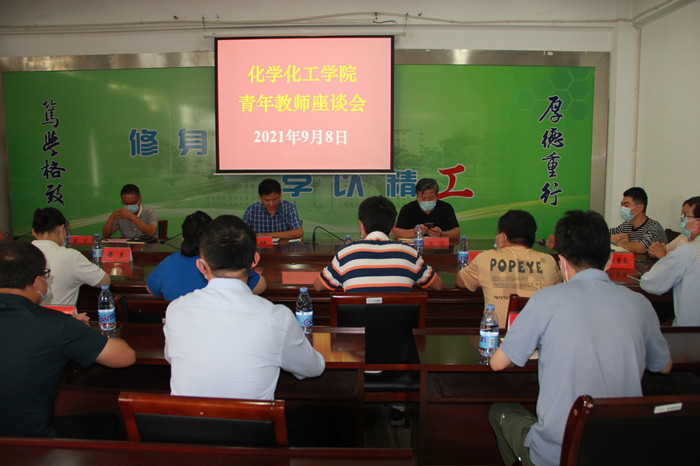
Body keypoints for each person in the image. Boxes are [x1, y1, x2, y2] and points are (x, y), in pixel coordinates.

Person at [488, 210, 672, 466]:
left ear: (562, 262)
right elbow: (664, 366)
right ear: (610, 261)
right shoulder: (640, 304)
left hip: (557, 455)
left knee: (500, 411)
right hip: (622, 451)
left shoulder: (546, 300)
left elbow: (498, 363)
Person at [164, 215, 324, 400]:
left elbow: (171, 357)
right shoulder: (277, 318)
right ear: (255, 260)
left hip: (185, 419)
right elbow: (314, 368)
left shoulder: (176, 310)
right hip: (252, 420)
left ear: (201, 265)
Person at [0, 240, 136, 438]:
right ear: (37, 282)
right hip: (31, 441)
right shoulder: (56, 324)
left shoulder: (56, 324)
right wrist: (79, 331)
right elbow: (124, 357)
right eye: (46, 275)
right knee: (110, 422)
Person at [314, 195, 442, 292]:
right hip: (398, 321)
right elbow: (437, 285)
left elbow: (318, 286)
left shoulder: (345, 254)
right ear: (393, 227)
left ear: (361, 225)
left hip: (358, 320)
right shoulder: (409, 253)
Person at [455, 210, 561, 326]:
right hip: (539, 335)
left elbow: (460, 281)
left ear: (502, 237)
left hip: (497, 334)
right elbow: (559, 285)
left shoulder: (485, 258)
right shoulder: (548, 262)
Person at [147, 211, 266, 300]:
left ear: (183, 239)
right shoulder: (223, 260)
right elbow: (260, 286)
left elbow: (151, 289)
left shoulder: (168, 262)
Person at [31, 207, 110, 308]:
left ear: (34, 232)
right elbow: (104, 281)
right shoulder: (71, 256)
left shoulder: (21, 254)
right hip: (61, 317)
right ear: (60, 229)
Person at [641, 196, 700, 326]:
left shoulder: (688, 252)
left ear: (698, 222)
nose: (684, 220)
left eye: (687, 216)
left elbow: (650, 283)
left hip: (690, 332)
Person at [393, 178, 461, 242]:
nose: (427, 201)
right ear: (417, 196)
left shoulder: (446, 208)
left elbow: (457, 233)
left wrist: (442, 234)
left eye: (431, 198)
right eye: (423, 198)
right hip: (413, 248)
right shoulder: (407, 209)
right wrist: (414, 232)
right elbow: (397, 234)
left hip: (440, 248)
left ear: (437, 196)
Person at [609, 186, 666, 253]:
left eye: (626, 205)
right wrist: (611, 237)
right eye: (622, 205)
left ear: (639, 208)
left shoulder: (653, 227)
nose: (622, 208)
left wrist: (621, 243)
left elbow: (640, 248)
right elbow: (602, 233)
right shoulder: (627, 225)